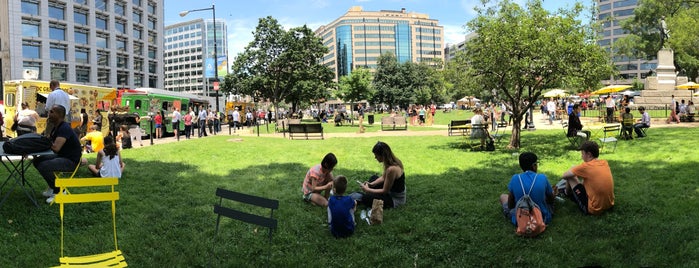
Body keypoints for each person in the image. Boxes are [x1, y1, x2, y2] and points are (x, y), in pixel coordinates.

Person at [33, 105, 82, 203]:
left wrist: (44, 142)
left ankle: (60, 191)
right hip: (63, 156)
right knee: (37, 161)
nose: (49, 114)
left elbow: (56, 148)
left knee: (43, 166)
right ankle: (52, 187)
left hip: (71, 161)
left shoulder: (64, 128)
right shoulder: (56, 127)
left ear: (59, 115)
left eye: (52, 112)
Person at [499, 152, 554, 226]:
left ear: (520, 166)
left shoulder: (515, 178)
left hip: (520, 219)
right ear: (534, 166)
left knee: (503, 196)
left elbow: (510, 205)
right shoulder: (542, 177)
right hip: (542, 217)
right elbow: (551, 200)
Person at [560, 141, 615, 215]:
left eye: (582, 153)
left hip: (594, 209)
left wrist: (573, 169)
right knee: (579, 177)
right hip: (609, 204)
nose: (581, 156)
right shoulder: (604, 162)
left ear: (589, 154)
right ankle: (568, 192)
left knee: (570, 177)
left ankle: (567, 193)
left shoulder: (586, 167)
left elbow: (564, 176)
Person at [354, 141, 406, 209]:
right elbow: (383, 177)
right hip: (390, 192)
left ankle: (369, 195)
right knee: (374, 178)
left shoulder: (392, 169)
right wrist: (371, 184)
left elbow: (385, 191)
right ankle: (371, 193)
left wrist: (367, 190)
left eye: (376, 155)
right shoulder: (392, 162)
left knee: (365, 198)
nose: (375, 157)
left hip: (395, 199)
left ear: (383, 155)